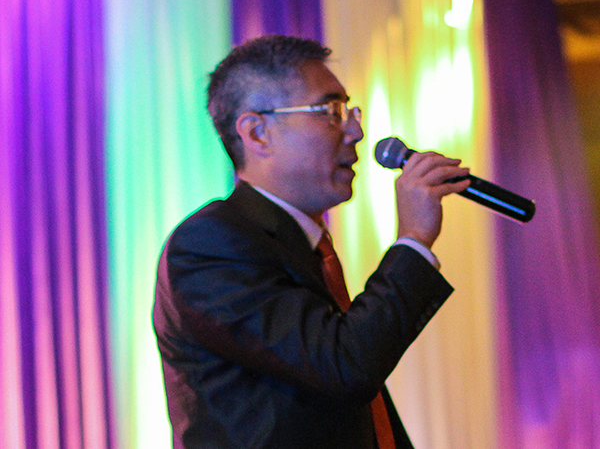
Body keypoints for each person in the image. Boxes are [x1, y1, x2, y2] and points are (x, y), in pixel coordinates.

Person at [153, 34, 470, 449]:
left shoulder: (305, 243)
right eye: (331, 112)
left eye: (351, 111)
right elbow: (344, 364)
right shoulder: (210, 243)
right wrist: (412, 241)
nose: (356, 131)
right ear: (257, 133)